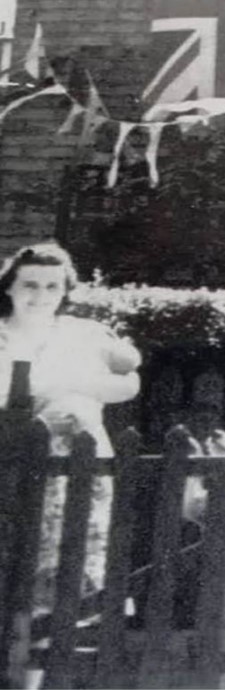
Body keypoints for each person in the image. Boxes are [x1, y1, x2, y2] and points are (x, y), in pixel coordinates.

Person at [0, 241, 141, 615]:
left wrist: (69, 387)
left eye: (52, 286)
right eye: (30, 285)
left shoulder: (84, 334)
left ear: (65, 291)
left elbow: (128, 385)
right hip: (10, 464)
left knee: (71, 564)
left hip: (78, 466)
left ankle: (53, 658)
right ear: (10, 287)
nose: (41, 295)